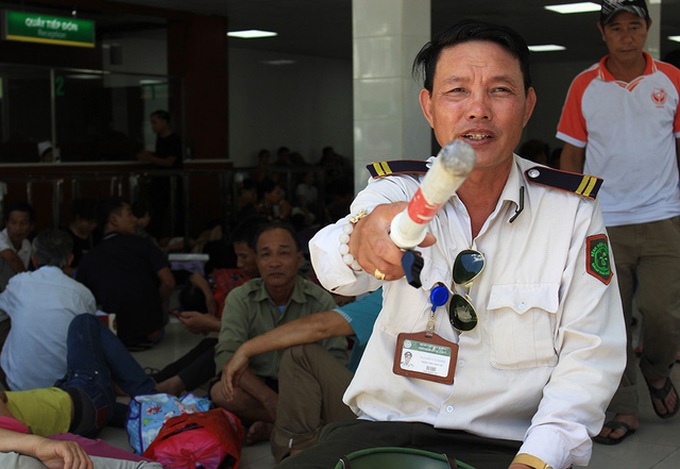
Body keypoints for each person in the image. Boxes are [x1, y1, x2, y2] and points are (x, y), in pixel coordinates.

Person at [296, 19, 626, 469]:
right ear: (428, 107)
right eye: (457, 91)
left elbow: (590, 356)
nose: (478, 109)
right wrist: (364, 237)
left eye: (500, 90)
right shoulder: (396, 190)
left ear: (527, 106)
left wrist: (537, 458)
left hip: (505, 444)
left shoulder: (570, 212)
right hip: (385, 426)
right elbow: (336, 266)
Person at [556, 0, 680, 445]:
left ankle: (658, 369)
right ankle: (623, 406)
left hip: (664, 217)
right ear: (602, 32)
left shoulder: (672, 79)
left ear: (646, 29)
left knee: (663, 315)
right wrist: (571, 212)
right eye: (616, 27)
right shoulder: (584, 84)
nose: (626, 35)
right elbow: (572, 154)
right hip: (604, 221)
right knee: (610, 320)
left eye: (634, 26)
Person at [210, 221, 348, 446]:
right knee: (221, 393)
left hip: (305, 390)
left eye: (283, 254)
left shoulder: (319, 299)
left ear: (298, 259)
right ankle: (289, 424)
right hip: (258, 388)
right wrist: (267, 398)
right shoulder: (240, 298)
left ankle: (277, 426)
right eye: (266, 255)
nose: (274, 263)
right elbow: (228, 356)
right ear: (257, 261)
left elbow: (336, 360)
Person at [221, 289, 382, 462]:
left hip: (380, 423)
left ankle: (298, 451)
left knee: (301, 356)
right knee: (224, 393)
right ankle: (290, 436)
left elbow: (321, 326)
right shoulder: (241, 296)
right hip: (384, 416)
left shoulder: (400, 294)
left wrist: (246, 350)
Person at [151, 215, 266, 396]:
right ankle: (165, 379)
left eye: (244, 257)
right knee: (216, 340)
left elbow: (264, 334)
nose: (239, 264)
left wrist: (211, 324)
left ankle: (173, 383)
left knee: (227, 345)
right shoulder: (252, 288)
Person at [0, 229, 97, 391]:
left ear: (34, 259)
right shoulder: (82, 293)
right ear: (70, 259)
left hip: (19, 386)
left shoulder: (18, 284)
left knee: (11, 324)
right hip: (67, 388)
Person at [77, 197, 175, 349]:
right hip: (149, 333)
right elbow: (169, 282)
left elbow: (84, 299)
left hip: (113, 334)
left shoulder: (89, 258)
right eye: (129, 214)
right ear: (114, 220)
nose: (135, 219)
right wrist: (155, 301)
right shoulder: (144, 244)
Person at [136, 110, 183, 239]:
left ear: (164, 121)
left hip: (171, 181)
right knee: (157, 212)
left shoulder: (174, 139)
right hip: (160, 181)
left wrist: (149, 157)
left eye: (154, 122)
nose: (153, 126)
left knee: (174, 211)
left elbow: (169, 162)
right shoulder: (160, 138)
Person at [65, 198, 99, 275]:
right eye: (89, 222)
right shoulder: (64, 238)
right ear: (78, 218)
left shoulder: (97, 236)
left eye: (95, 222)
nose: (93, 226)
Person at [0, 200, 35, 274]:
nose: (18, 228)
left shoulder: (27, 245)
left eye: (23, 223)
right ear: (6, 223)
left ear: (31, 226)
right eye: (13, 222)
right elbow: (11, 257)